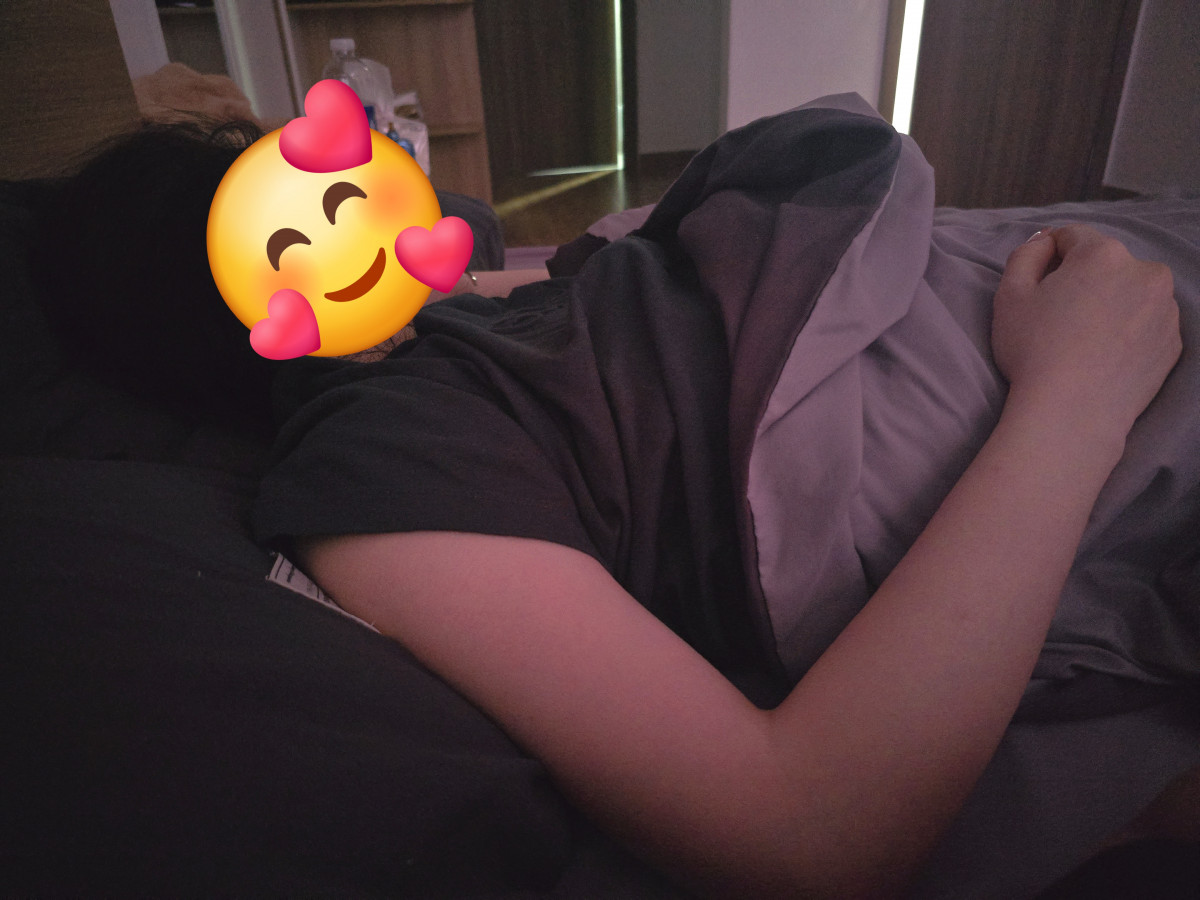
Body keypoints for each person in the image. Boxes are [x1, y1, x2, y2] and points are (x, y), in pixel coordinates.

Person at [32, 107, 1200, 897]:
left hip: (985, 267)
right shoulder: (371, 472)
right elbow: (808, 830)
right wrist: (1077, 395)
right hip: (1022, 376)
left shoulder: (459, 316)